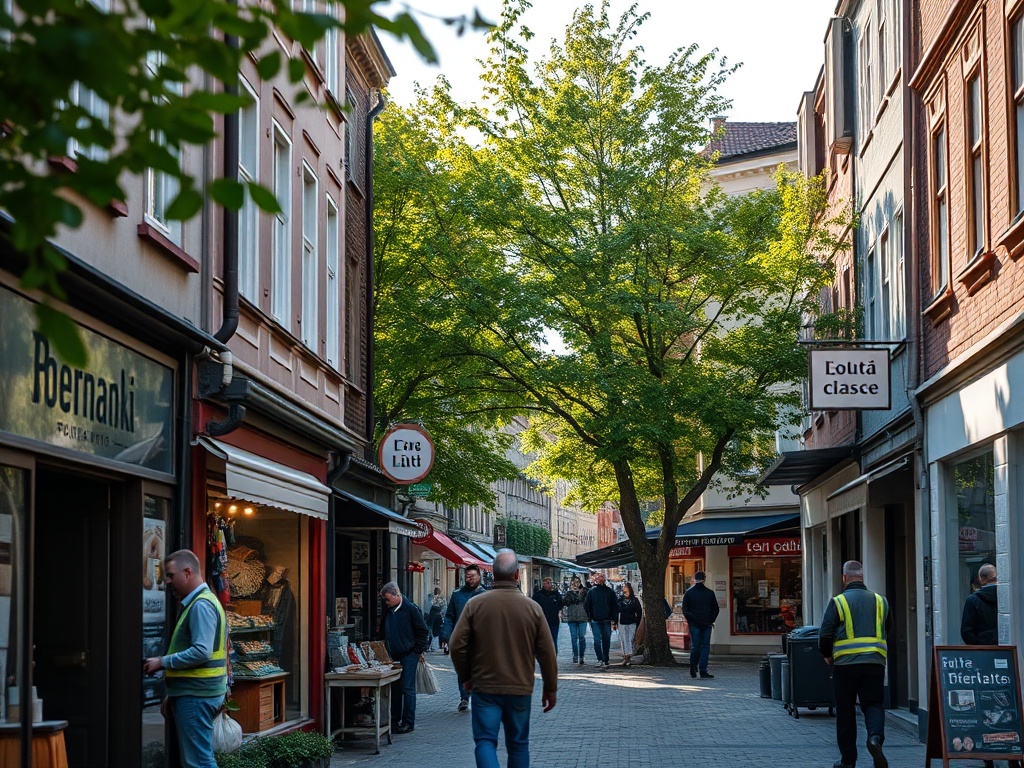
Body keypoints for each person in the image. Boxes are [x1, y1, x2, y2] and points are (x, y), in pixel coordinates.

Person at [449, 549, 557, 768]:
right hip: (519, 687)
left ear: (493, 575)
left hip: (485, 686)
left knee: (485, 741)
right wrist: (550, 687)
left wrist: (467, 676)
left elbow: (456, 645)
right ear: (517, 575)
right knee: (518, 744)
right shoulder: (532, 608)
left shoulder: (475, 605)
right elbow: (547, 652)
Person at [143, 549, 227, 768]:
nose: (168, 581)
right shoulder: (203, 601)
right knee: (199, 758)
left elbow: (201, 651)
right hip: (195, 692)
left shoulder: (200, 605)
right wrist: (176, 693)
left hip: (197, 694)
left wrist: (162, 662)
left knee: (198, 762)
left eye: (170, 575)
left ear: (187, 572)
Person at [819, 560, 892, 768]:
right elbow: (889, 628)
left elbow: (826, 633)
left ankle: (848, 762)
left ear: (844, 578)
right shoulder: (880, 601)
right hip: (874, 663)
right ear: (862, 576)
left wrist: (826, 653)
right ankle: (875, 739)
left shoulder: (839, 602)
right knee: (874, 705)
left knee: (846, 712)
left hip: (845, 666)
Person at [379, 581, 430, 733]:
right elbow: (383, 629)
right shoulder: (388, 610)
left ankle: (408, 722)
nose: (386, 602)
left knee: (407, 688)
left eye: (388, 599)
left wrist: (416, 651)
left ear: (397, 595)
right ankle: (394, 720)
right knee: (395, 687)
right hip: (393, 655)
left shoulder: (410, 609)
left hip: (408, 655)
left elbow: (423, 630)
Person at [443, 564, 487, 711]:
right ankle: (464, 697)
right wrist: (446, 635)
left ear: (479, 576)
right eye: (467, 577)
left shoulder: (486, 595)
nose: (470, 579)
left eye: (472, 576)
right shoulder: (457, 595)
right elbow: (449, 616)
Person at [682, 571, 719, 679]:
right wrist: (711, 620)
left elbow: (685, 610)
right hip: (706, 623)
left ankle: (693, 668)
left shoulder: (689, 593)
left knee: (695, 647)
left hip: (695, 624)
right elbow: (715, 609)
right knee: (705, 647)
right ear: (704, 578)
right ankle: (703, 670)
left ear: (694, 578)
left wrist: (691, 621)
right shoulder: (709, 593)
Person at [583, 572, 618, 667]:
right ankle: (599, 658)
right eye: (600, 576)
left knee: (606, 640)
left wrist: (614, 619)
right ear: (597, 579)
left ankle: (606, 659)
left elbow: (615, 606)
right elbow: (587, 605)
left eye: (603, 576)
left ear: (605, 578)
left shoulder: (610, 592)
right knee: (597, 640)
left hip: (606, 620)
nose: (601, 578)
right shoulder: (592, 591)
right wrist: (590, 616)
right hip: (595, 620)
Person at [961, 563, 998, 645]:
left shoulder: (973, 600)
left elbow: (966, 631)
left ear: (980, 578)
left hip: (982, 646)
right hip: (1006, 649)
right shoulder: (1007, 598)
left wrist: (978, 645)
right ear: (996, 577)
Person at [562, 576, 590, 664]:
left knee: (582, 637)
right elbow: (565, 602)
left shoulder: (585, 592)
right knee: (574, 637)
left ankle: (581, 656)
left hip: (582, 617)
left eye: (577, 582)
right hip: (572, 618)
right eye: (573, 582)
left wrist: (582, 592)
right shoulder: (568, 593)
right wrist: (570, 592)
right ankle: (575, 655)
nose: (575, 584)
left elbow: (588, 602)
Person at [531, 577, 564, 649]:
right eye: (545, 583)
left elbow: (561, 604)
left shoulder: (556, 594)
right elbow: (533, 606)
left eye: (549, 583)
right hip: (542, 621)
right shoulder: (538, 595)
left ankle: (553, 657)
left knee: (553, 640)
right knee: (543, 641)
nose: (547, 585)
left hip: (553, 621)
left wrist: (557, 609)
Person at [616, 582, 643, 666]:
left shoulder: (634, 600)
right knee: (624, 639)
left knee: (630, 639)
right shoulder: (620, 600)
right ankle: (626, 655)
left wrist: (637, 621)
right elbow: (617, 610)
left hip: (632, 621)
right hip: (622, 621)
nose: (624, 589)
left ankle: (629, 655)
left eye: (626, 587)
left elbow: (639, 611)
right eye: (623, 587)